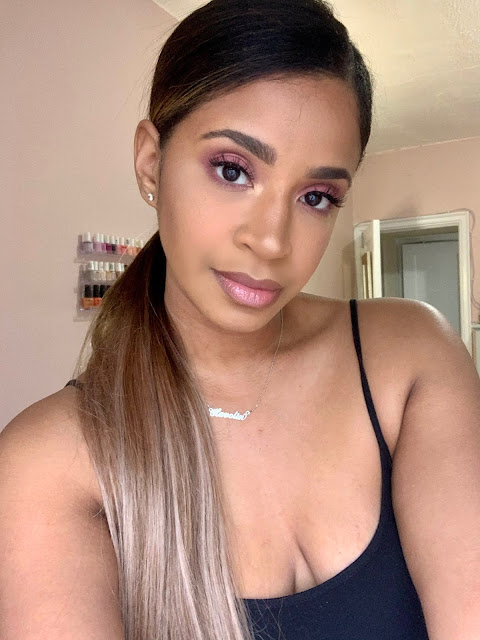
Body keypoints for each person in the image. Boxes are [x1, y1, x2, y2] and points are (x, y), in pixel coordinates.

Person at [1, 0, 479, 638]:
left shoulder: (410, 356)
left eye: (316, 197)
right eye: (232, 170)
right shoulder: (49, 462)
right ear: (151, 161)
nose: (272, 240)